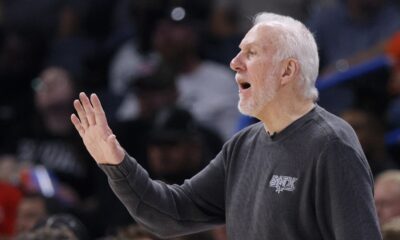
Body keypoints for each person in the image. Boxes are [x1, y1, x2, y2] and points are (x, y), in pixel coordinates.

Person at [71, 12, 382, 239]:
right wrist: (115, 162)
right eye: (238, 51)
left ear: (287, 71)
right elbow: (170, 215)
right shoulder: (241, 147)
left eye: (251, 53)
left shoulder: (331, 145)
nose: (235, 62)